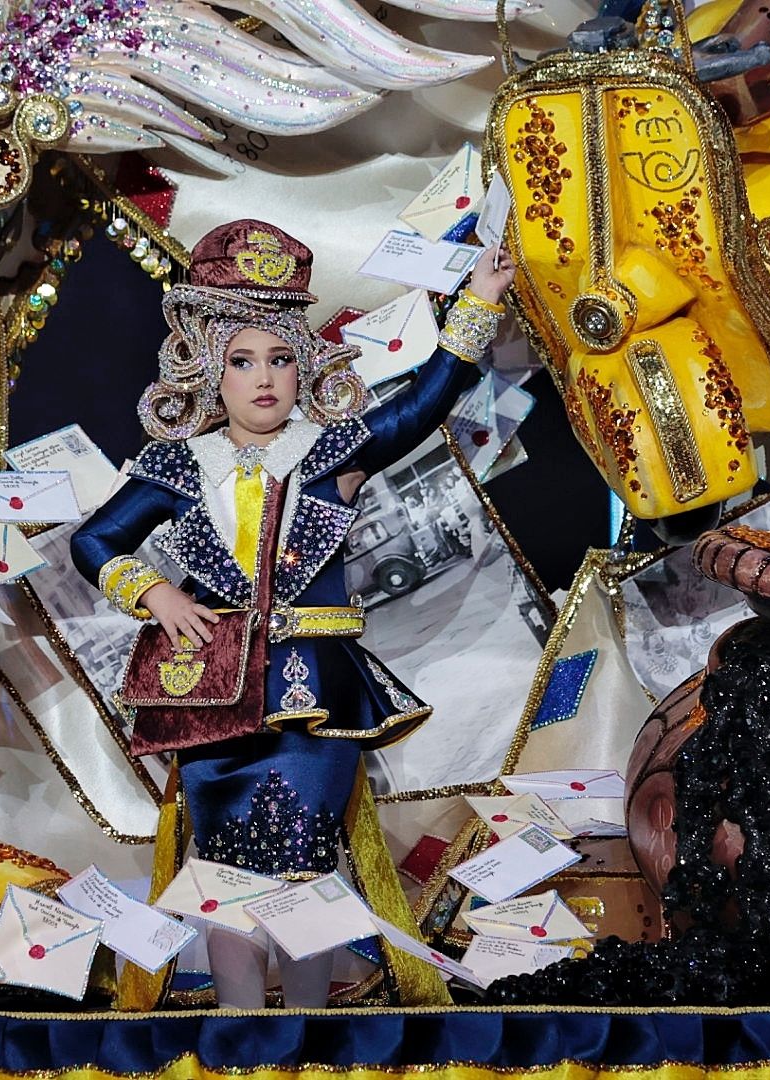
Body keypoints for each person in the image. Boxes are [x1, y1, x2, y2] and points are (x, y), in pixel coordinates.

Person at [71, 219, 512, 1008]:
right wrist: (156, 593)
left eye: (280, 359)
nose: (264, 379)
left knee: (304, 856)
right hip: (214, 700)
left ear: (304, 366)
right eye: (243, 361)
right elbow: (97, 540)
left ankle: (308, 1033)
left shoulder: (330, 448)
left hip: (314, 695)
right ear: (213, 369)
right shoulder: (178, 461)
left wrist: (478, 298)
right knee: (227, 871)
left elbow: (426, 402)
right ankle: (243, 1033)